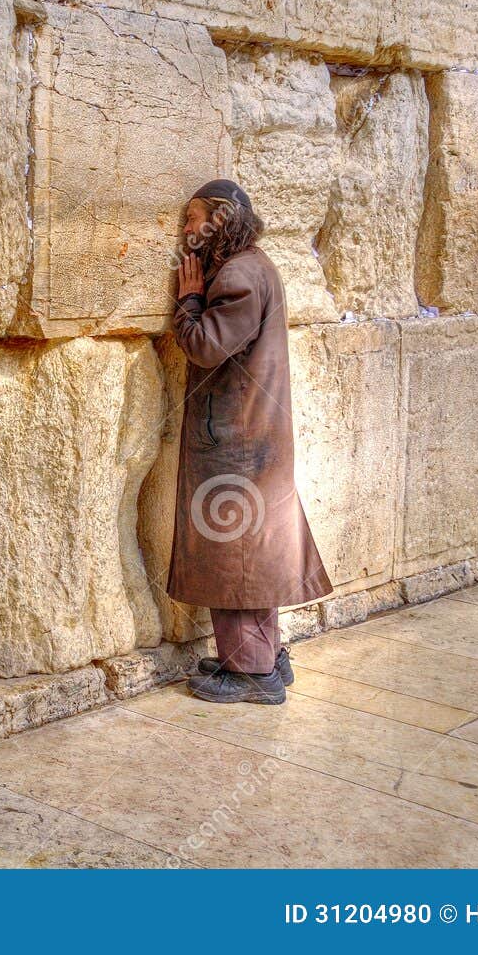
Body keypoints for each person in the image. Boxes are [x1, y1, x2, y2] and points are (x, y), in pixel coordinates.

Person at [169, 178, 331, 704]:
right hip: (251, 435)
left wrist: (190, 299)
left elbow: (206, 346)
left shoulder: (238, 275)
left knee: (234, 555)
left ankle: (252, 673)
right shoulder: (255, 265)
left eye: (194, 219)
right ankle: (260, 655)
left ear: (219, 221)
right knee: (250, 553)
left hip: (237, 438)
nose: (187, 230)